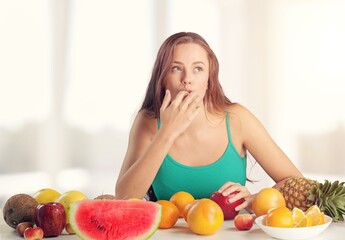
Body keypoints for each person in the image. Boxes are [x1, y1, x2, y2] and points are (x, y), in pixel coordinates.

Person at [115, 32, 303, 213]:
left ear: (209, 79)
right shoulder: (146, 123)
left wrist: (254, 200)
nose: (187, 79)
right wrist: (167, 132)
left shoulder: (238, 119)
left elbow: (296, 182)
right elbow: (124, 198)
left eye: (198, 69)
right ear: (163, 78)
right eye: (176, 68)